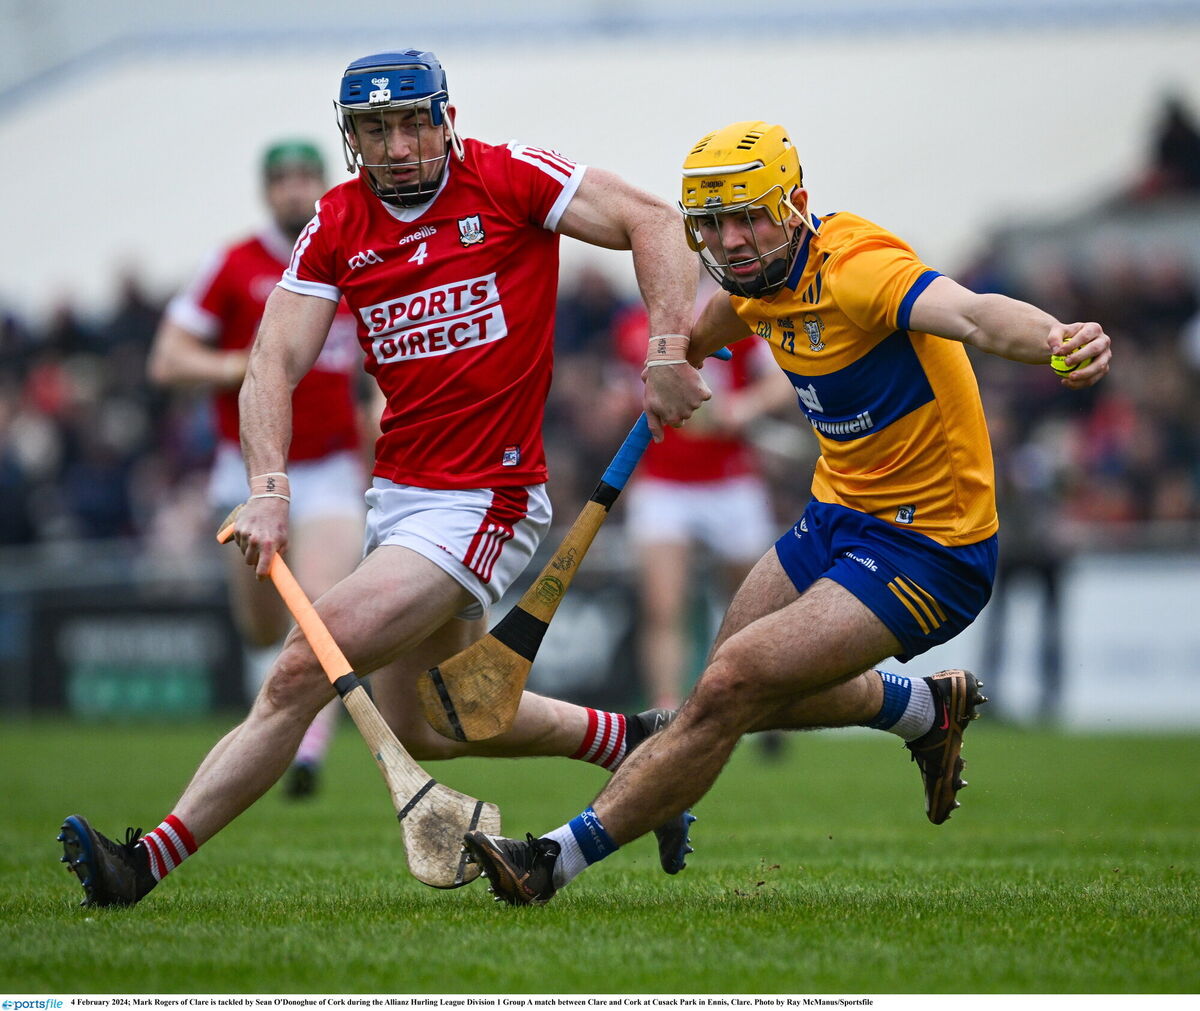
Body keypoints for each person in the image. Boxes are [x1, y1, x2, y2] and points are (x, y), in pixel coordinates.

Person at [57, 49, 710, 908]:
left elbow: (655, 219)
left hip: (487, 497)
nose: (396, 147)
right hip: (398, 498)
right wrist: (269, 486)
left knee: (300, 666)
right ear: (352, 137)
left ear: (445, 120)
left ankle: (143, 862)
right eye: (374, 130)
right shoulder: (338, 221)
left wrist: (665, 348)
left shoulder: (508, 177)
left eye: (411, 124)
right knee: (437, 720)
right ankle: (639, 742)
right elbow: (270, 361)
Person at [461, 119, 1113, 905]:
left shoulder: (859, 269)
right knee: (724, 690)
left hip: (930, 548)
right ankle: (921, 709)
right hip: (835, 515)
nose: (730, 241)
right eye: (711, 224)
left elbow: (974, 315)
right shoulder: (755, 283)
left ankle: (550, 859)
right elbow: (701, 331)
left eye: (749, 217)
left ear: (796, 205)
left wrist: (1058, 338)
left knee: (728, 684)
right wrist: (667, 362)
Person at [147, 140, 367, 799]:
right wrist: (238, 366)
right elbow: (166, 360)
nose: (295, 190)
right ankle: (282, 725)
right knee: (264, 627)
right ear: (266, 190)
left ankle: (308, 751)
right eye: (282, 179)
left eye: (306, 177)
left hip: (331, 468)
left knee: (323, 606)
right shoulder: (234, 264)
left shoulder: (353, 254)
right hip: (246, 472)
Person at [615, 290, 796, 715]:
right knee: (662, 607)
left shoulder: (735, 314)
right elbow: (626, 394)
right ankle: (664, 712)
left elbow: (783, 379)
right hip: (664, 483)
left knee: (750, 606)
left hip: (731, 482)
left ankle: (757, 704)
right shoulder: (634, 325)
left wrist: (743, 408)